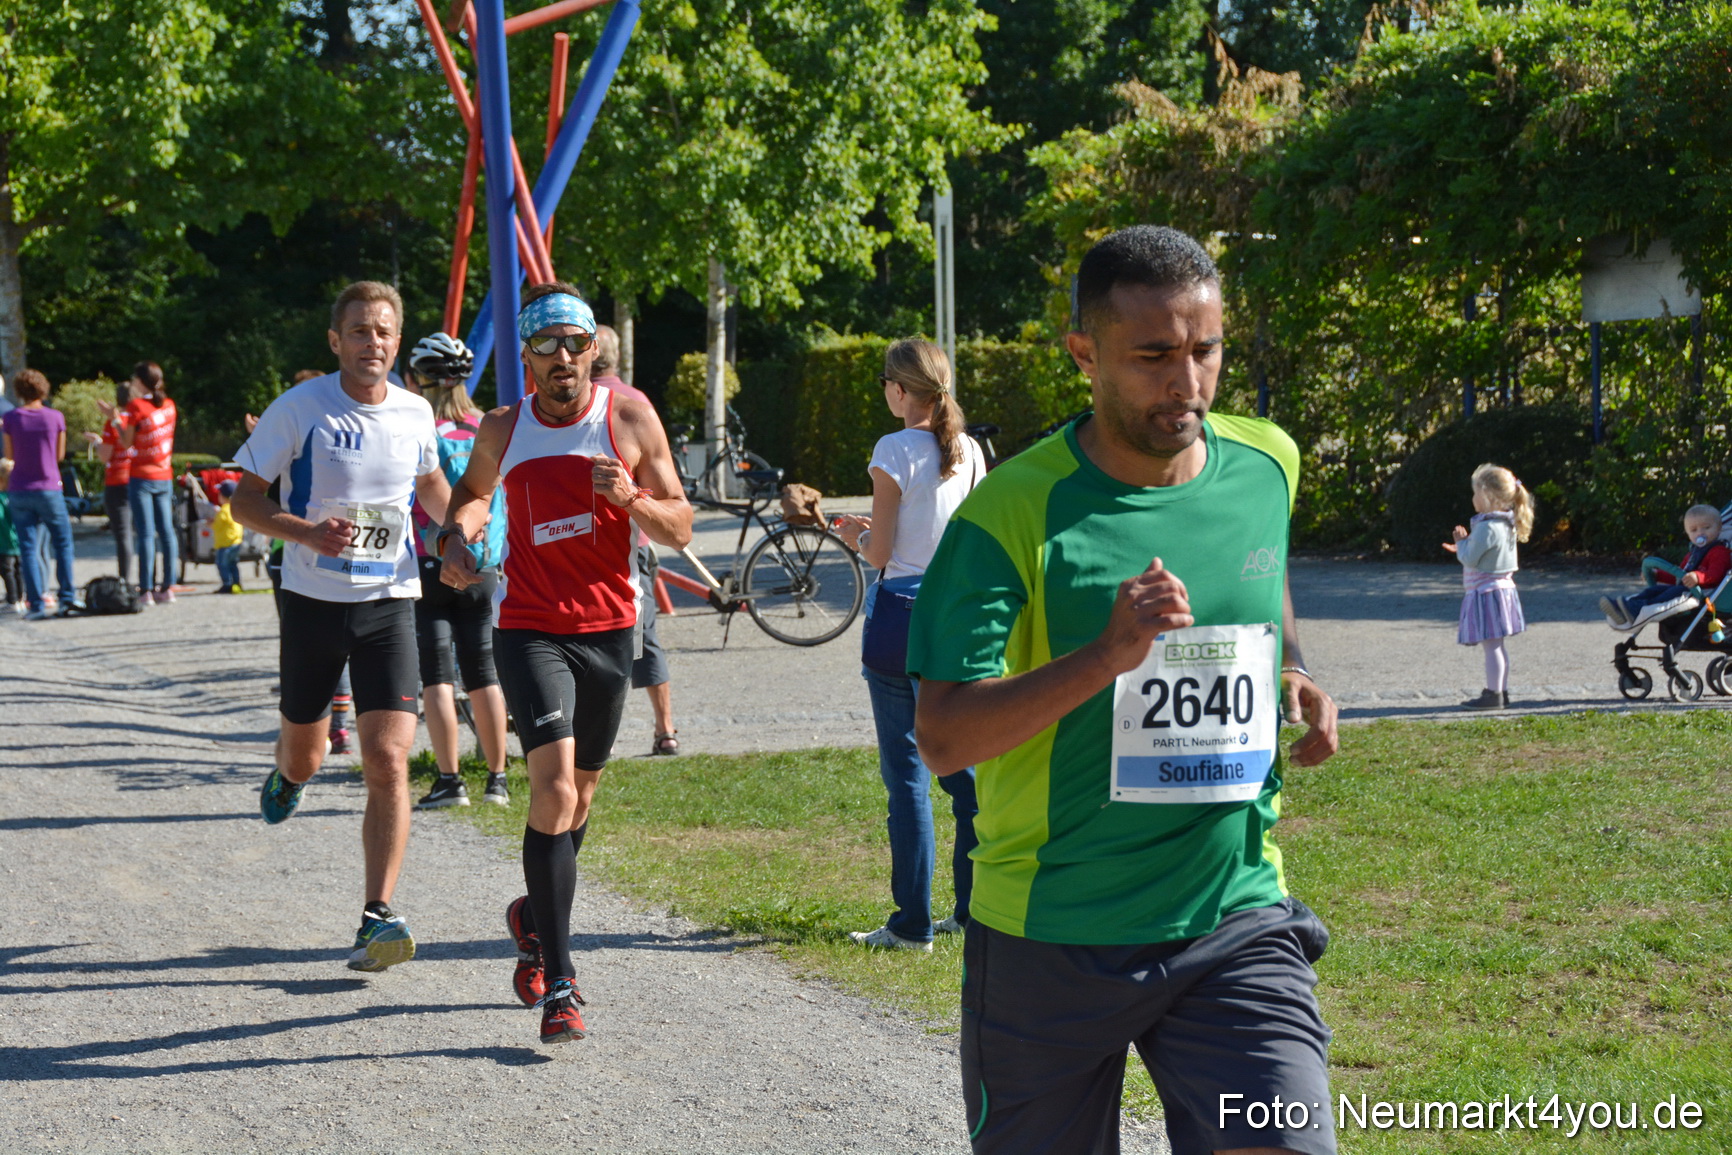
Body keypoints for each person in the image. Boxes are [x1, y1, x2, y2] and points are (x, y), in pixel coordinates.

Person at [909, 226, 1341, 1155]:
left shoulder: (1268, 463)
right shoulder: (1011, 513)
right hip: (1051, 935)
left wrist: (1295, 668)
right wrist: (1106, 655)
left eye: (1205, 350)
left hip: (1231, 918)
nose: (1186, 384)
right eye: (1153, 355)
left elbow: (1262, 579)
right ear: (1083, 353)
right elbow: (942, 735)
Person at [439, 283, 691, 1043]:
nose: (561, 359)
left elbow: (679, 521)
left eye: (573, 344)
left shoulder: (628, 417)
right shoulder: (502, 426)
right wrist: (458, 539)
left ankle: (531, 915)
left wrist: (633, 502)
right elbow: (471, 497)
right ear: (526, 356)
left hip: (613, 631)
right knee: (550, 786)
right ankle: (564, 980)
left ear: (593, 350)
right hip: (530, 627)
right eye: (544, 347)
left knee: (578, 800)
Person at [230, 281, 449, 973]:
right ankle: (288, 773)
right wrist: (306, 532)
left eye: (384, 331)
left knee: (387, 758)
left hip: (390, 601)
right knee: (308, 754)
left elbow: (433, 488)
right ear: (336, 340)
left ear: (396, 339)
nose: (372, 342)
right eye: (359, 330)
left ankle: (376, 915)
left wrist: (464, 534)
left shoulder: (416, 412)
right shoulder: (299, 409)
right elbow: (243, 501)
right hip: (313, 603)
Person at [836, 338, 983, 951]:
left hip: (900, 613)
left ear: (899, 391)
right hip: (957, 612)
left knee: (906, 776)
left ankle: (911, 923)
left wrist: (850, 532)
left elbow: (881, 552)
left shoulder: (893, 449)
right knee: (966, 773)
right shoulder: (970, 451)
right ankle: (975, 911)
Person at [403, 332, 512, 808]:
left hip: (433, 564)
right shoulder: (487, 431)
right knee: (485, 675)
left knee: (438, 678)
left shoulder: (418, 430)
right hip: (486, 565)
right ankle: (498, 780)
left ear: (416, 380)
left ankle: (450, 781)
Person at [590, 323, 680, 754]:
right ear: (617, 356)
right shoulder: (636, 402)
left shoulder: (577, 408)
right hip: (635, 541)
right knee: (644, 637)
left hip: (607, 543)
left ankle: (596, 733)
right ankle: (664, 729)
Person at [1443, 463, 1532, 710]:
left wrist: (1461, 544)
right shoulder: (1505, 524)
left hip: (1487, 593)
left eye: (1475, 493)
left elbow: (1471, 558)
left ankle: (1493, 694)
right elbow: (1486, 553)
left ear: (1487, 495)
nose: (1473, 498)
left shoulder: (1487, 526)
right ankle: (1500, 691)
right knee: (1498, 646)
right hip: (1502, 591)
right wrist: (1466, 545)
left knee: (1491, 646)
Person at [2, 368, 80, 620]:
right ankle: (66, 597)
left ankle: (35, 604)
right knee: (63, 542)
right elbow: (58, 455)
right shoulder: (55, 417)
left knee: (27, 547)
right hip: (48, 486)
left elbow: (10, 455)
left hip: (20, 488)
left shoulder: (12, 418)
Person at [1599, 503, 1729, 631]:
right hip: (1686, 587)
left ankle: (1633, 610)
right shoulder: (1693, 553)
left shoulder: (1719, 551)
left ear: (1718, 529)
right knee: (1654, 590)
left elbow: (1715, 574)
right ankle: (1623, 607)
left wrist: (1697, 577)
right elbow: (1678, 575)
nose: (1700, 533)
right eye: (1694, 530)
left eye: (1706, 528)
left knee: (1666, 596)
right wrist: (1658, 574)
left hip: (1704, 592)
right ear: (1688, 533)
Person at [118, 361, 179, 605]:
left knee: (145, 533)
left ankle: (145, 589)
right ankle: (168, 587)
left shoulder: (136, 406)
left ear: (140, 381)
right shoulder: (170, 405)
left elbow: (127, 442)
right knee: (167, 532)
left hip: (141, 475)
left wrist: (114, 421)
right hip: (164, 474)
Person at [86, 379, 138, 584]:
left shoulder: (112, 422)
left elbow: (105, 456)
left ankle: (125, 579)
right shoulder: (140, 418)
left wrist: (98, 442)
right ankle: (150, 581)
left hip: (118, 480)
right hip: (140, 478)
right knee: (144, 533)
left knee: (123, 533)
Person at [0, 458, 21, 612]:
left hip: (4, 542)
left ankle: (12, 600)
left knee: (7, 571)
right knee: (18, 571)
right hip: (18, 541)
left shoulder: (1, 498)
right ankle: (20, 598)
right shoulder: (16, 496)